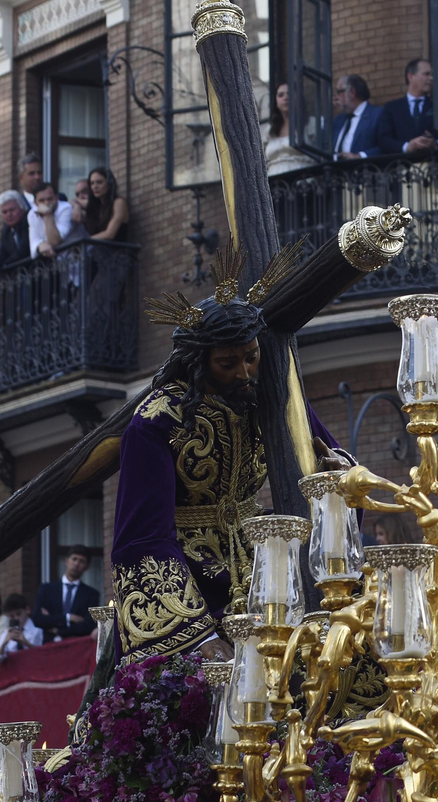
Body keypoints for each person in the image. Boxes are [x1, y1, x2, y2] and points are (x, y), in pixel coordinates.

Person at [111, 252, 346, 662]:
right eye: (227, 363)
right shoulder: (155, 422)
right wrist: (199, 638)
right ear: (199, 363)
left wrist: (340, 475)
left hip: (267, 570)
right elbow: (143, 536)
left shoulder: (269, 398)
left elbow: (330, 456)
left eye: (251, 357)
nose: (243, 372)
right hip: (192, 579)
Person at [33, 548, 100, 640]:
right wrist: (67, 618)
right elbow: (38, 619)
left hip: (76, 644)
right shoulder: (46, 589)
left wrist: (58, 630)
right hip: (49, 644)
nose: (76, 564)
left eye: (82, 561)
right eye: (74, 559)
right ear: (66, 561)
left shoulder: (91, 594)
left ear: (87, 566)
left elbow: (89, 625)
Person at [380, 58, 437, 154]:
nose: (431, 78)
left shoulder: (436, 106)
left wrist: (435, 143)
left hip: (432, 161)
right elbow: (384, 140)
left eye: (432, 74)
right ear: (411, 76)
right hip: (402, 162)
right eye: (426, 74)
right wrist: (407, 147)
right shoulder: (392, 108)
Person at [265, 82, 314, 175]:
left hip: (303, 179)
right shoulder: (269, 130)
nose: (285, 98)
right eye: (281, 95)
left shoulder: (311, 123)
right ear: (276, 101)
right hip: (275, 180)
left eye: (290, 94)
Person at [332, 75, 385, 159]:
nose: (336, 97)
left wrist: (359, 156)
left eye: (339, 92)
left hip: (364, 166)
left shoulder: (377, 115)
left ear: (352, 93)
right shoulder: (339, 119)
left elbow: (385, 147)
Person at [0, 592, 45, 661]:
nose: (16, 618)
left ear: (27, 610)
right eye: (12, 616)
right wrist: (4, 644)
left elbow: (40, 656)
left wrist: (25, 643)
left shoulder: (37, 630)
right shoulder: (7, 633)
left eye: (18, 614)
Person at [29, 181, 75, 258]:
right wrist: (40, 245)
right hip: (51, 262)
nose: (46, 203)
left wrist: (47, 214)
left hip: (73, 259)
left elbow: (55, 241)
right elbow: (33, 243)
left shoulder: (66, 208)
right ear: (35, 202)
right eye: (41, 200)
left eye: (50, 199)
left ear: (57, 197)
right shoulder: (32, 214)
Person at [82, 167, 129, 241]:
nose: (95, 186)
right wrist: (76, 206)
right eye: (92, 183)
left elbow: (109, 234)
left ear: (109, 184)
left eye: (99, 182)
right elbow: (76, 202)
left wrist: (85, 241)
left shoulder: (118, 202)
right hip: (97, 247)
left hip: (116, 247)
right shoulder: (96, 206)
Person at [0, 190, 32, 269]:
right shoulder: (6, 232)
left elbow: (23, 251)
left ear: (22, 208)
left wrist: (6, 264)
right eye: (4, 212)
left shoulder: (30, 221)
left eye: (12, 210)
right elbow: (2, 255)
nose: (9, 214)